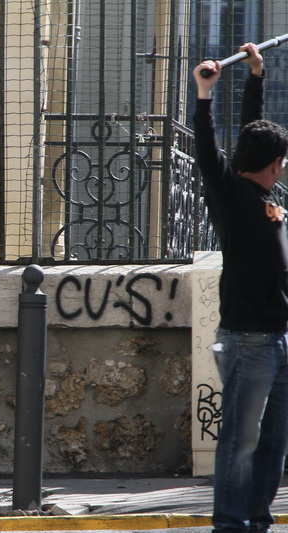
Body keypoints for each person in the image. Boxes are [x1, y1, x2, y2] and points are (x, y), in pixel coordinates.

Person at [193, 43, 288, 533]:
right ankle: (230, 523)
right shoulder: (231, 195)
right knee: (241, 438)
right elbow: (208, 153)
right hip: (249, 340)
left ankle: (256, 514)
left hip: (278, 337)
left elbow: (254, 133)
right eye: (283, 158)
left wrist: (255, 76)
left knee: (274, 440)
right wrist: (204, 96)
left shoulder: (264, 193)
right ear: (277, 162)